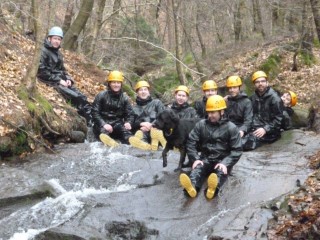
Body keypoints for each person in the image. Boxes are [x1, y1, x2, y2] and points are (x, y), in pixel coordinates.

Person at [179, 95, 242, 199]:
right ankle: (192, 188)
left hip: (222, 160)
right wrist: (195, 159)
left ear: (221, 112)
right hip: (206, 158)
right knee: (197, 170)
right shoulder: (201, 124)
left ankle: (212, 189)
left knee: (220, 174)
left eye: (213, 113)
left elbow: (237, 149)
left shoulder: (231, 127)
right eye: (209, 112)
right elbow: (191, 142)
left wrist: (226, 163)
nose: (210, 115)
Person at [37, 26, 92, 125]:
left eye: (59, 39)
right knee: (76, 97)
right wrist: (58, 80)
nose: (57, 41)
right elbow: (42, 72)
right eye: (55, 38)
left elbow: (63, 70)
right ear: (49, 38)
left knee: (82, 97)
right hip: (50, 81)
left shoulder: (58, 53)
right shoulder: (42, 51)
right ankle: (87, 123)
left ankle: (92, 123)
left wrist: (68, 79)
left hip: (60, 80)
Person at [91, 70, 136, 147]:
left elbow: (130, 114)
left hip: (117, 124)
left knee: (126, 133)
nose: (116, 85)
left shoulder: (125, 98)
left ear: (121, 84)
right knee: (103, 133)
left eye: (118, 83)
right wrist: (103, 124)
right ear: (110, 83)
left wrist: (129, 122)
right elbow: (95, 112)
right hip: (102, 124)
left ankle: (134, 142)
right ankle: (109, 142)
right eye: (114, 82)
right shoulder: (101, 95)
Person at [242, 71, 283, 150]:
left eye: (262, 81)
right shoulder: (253, 98)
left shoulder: (275, 98)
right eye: (257, 82)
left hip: (269, 132)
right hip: (254, 128)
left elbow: (279, 119)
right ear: (254, 84)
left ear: (267, 82)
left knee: (245, 144)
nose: (260, 84)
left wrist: (265, 129)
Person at [130, 80, 167, 150]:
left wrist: (151, 125)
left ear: (148, 91)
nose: (143, 92)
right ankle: (146, 146)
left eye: (145, 89)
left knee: (156, 132)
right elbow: (131, 124)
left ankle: (160, 144)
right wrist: (141, 123)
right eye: (141, 90)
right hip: (143, 132)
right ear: (137, 92)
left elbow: (163, 117)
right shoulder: (133, 109)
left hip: (157, 130)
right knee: (139, 133)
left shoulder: (157, 103)